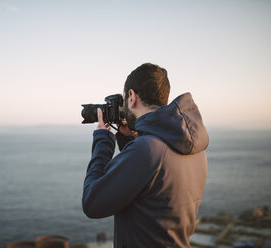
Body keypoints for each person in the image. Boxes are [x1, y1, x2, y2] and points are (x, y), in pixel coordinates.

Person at [82, 63, 209, 248]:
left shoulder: (147, 150)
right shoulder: (193, 147)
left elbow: (92, 203)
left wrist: (103, 139)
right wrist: (128, 140)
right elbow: (150, 187)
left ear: (132, 97)